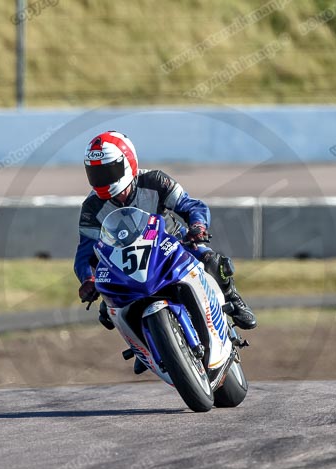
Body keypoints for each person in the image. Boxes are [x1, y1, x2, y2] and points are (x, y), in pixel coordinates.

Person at [74, 131, 256, 370]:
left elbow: (191, 206)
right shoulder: (91, 208)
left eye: (107, 171)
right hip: (125, 265)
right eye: (95, 173)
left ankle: (233, 298)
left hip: (171, 247)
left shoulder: (156, 181)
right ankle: (145, 347)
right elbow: (85, 253)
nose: (102, 179)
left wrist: (198, 226)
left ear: (128, 162)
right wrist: (87, 278)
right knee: (108, 309)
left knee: (212, 261)